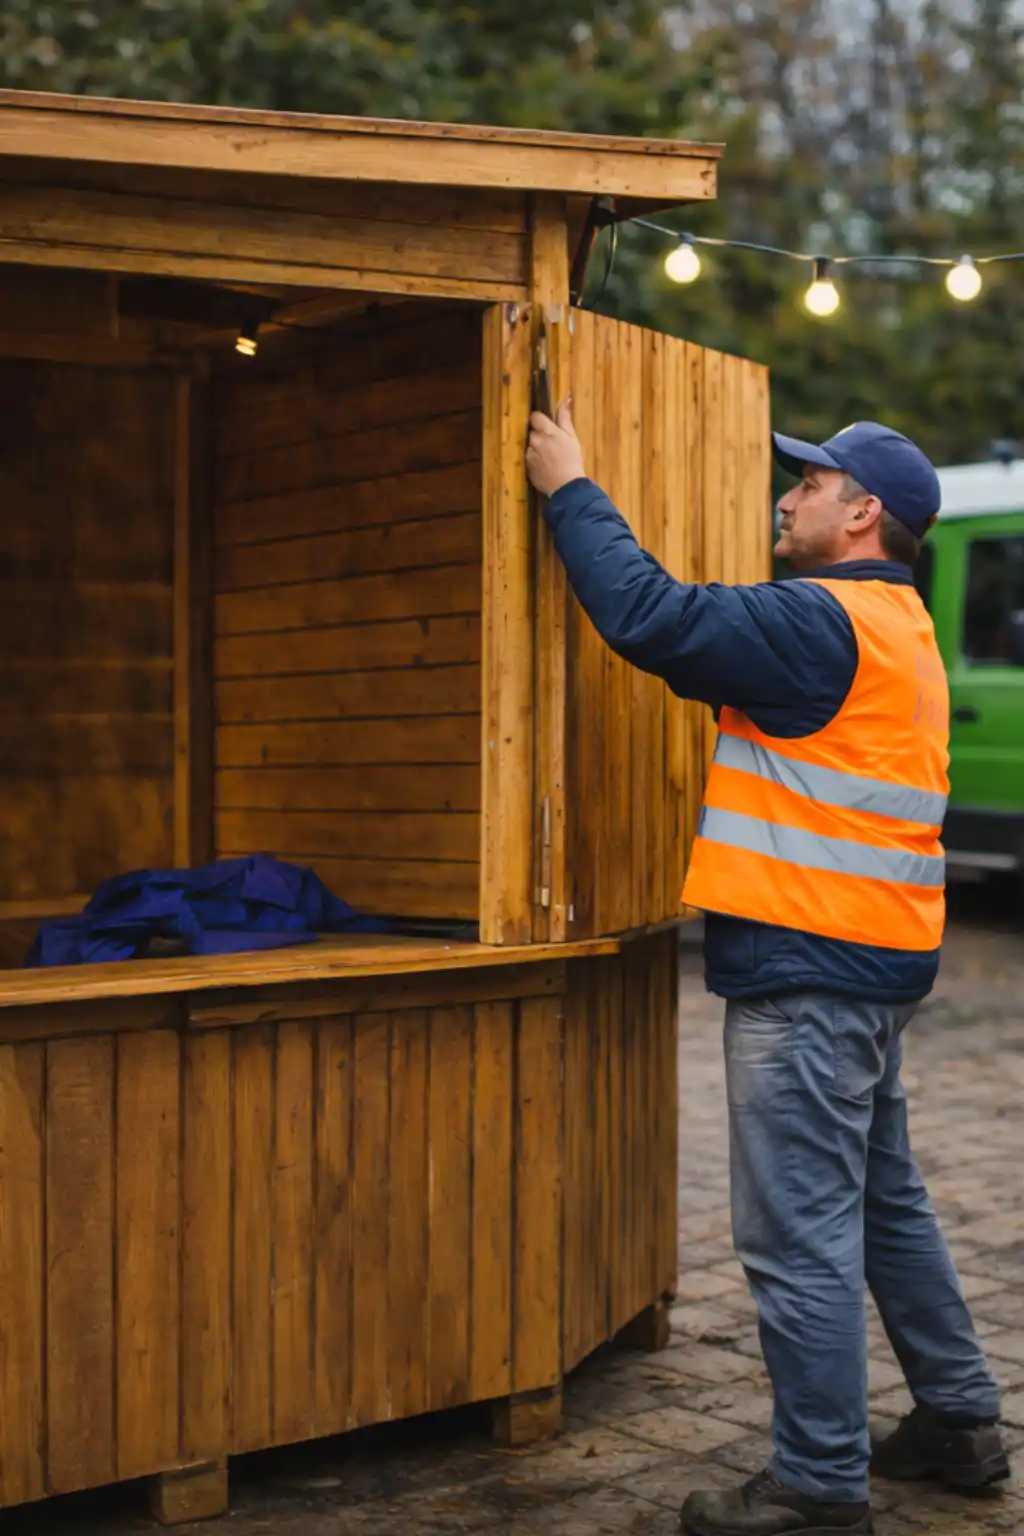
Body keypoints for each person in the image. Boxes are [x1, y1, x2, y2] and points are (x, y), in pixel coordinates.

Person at [525, 405, 1009, 1536]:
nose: (785, 497)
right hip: (868, 964)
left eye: (809, 483)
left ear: (861, 513)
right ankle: (959, 1421)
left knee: (800, 1236)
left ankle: (818, 1483)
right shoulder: (896, 628)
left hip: (806, 975)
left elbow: (648, 616)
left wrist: (570, 490)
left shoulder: (816, 623)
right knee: (886, 1205)